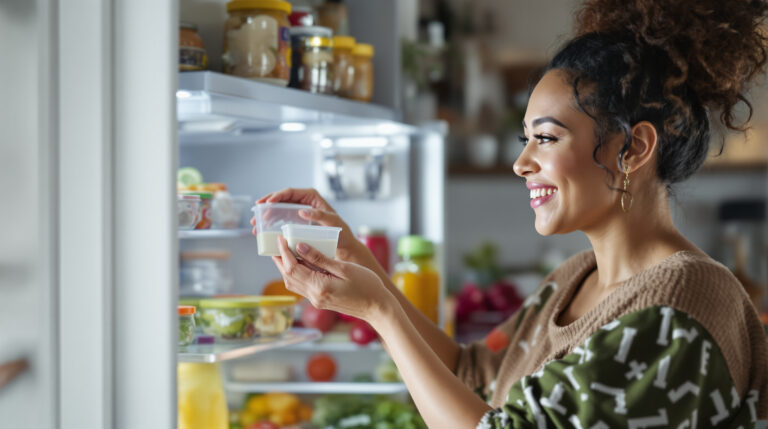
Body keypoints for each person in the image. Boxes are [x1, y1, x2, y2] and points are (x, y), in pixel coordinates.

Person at [252, 0, 768, 426]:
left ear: (632, 149)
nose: (522, 164)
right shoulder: (572, 279)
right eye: (526, 140)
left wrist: (378, 310)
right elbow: (470, 374)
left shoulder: (679, 309)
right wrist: (359, 262)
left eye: (547, 138)